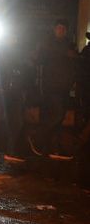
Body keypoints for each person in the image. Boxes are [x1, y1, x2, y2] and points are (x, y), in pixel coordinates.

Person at [30, 18, 77, 158]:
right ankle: (38, 137)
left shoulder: (69, 45)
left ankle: (52, 147)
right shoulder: (48, 44)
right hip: (51, 85)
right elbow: (41, 58)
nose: (61, 31)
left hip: (64, 86)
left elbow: (72, 65)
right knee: (57, 114)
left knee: (57, 116)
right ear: (54, 29)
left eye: (63, 28)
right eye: (59, 28)